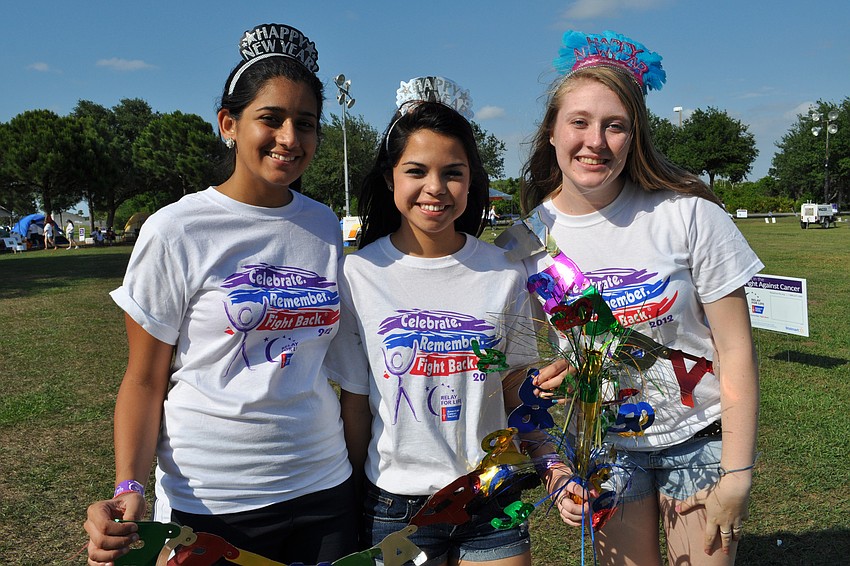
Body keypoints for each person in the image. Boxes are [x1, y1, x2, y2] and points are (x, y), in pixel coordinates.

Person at [84, 23, 357, 566]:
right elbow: (143, 379)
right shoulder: (177, 229)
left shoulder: (324, 225)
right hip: (213, 496)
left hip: (325, 485)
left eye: (305, 124)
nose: (289, 138)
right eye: (270, 118)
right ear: (229, 124)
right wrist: (129, 486)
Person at [519, 30, 761, 565]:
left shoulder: (690, 214)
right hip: (605, 447)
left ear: (635, 136)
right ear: (552, 132)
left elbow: (737, 350)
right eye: (579, 122)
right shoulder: (528, 239)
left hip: (699, 438)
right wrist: (555, 462)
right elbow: (516, 369)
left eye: (615, 126)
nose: (595, 141)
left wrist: (738, 474)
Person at [324, 76, 543, 566]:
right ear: (390, 178)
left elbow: (514, 387)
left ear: (471, 179)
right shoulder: (359, 273)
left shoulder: (504, 271)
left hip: (492, 493)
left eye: (453, 173)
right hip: (395, 504)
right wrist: (354, 493)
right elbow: (356, 404)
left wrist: (551, 450)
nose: (435, 189)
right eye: (417, 171)